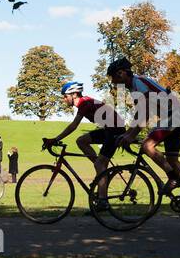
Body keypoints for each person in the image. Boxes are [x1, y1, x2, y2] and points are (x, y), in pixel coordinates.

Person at [105, 57, 180, 195]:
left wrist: (131, 135)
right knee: (172, 160)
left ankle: (173, 178)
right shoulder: (134, 87)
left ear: (121, 73)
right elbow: (140, 114)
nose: (113, 82)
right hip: (173, 116)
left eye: (113, 77)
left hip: (173, 116)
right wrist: (127, 134)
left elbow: (145, 114)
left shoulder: (139, 83)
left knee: (147, 146)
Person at [43, 80, 128, 208]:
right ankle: (102, 173)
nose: (64, 99)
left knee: (100, 163)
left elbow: (73, 126)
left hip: (115, 129)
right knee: (81, 141)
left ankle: (103, 201)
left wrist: (56, 139)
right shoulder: (84, 103)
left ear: (74, 95)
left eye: (65, 96)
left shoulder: (85, 103)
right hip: (109, 129)